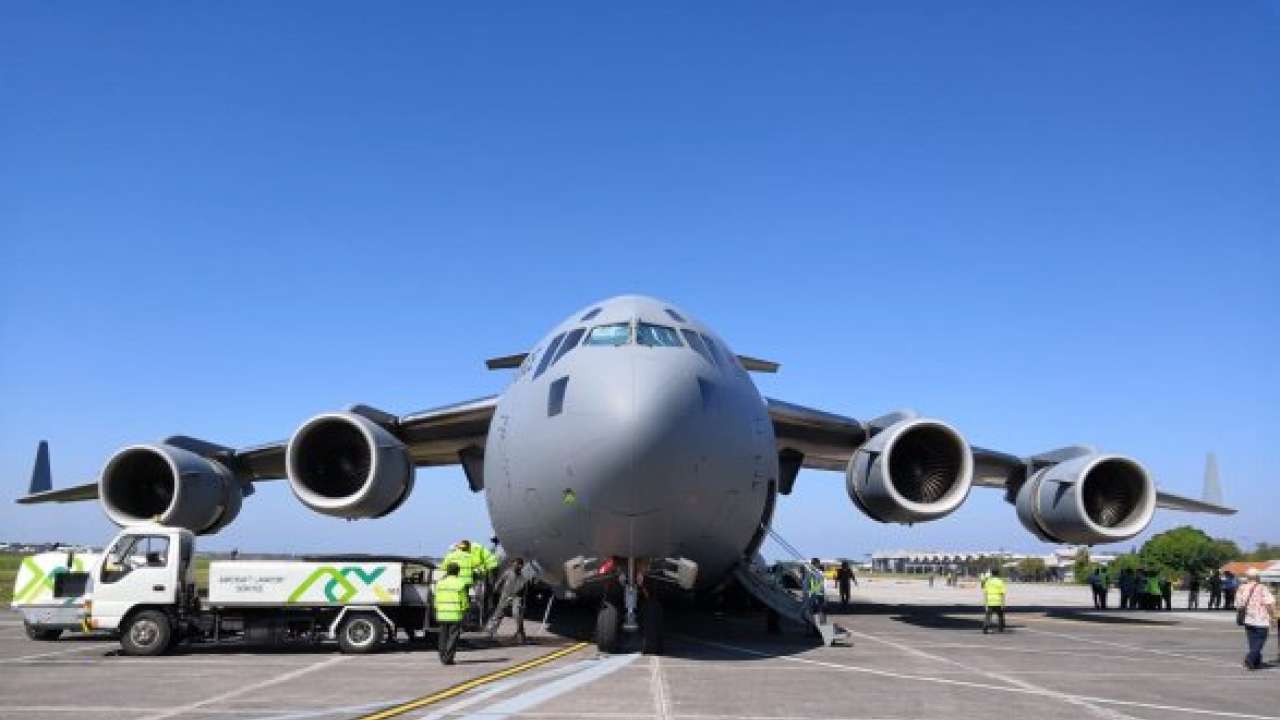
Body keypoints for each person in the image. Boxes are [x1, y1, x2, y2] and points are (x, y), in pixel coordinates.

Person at [484, 557, 532, 644]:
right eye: (514, 565)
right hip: (505, 595)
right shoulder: (508, 572)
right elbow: (499, 581)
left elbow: (525, 590)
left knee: (517, 614)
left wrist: (524, 601)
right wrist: (495, 590)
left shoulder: (524, 576)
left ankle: (520, 633)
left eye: (518, 565)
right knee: (499, 613)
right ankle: (490, 630)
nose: (515, 566)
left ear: (521, 566)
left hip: (517, 597)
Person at [1238, 567, 1276, 670]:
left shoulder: (1241, 588)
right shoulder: (1262, 588)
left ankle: (1256, 661)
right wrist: (1273, 617)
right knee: (1260, 641)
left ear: (1247, 577)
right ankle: (1250, 659)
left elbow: (1239, 604)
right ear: (1257, 577)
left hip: (1248, 619)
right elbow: (1269, 603)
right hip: (1261, 619)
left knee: (1252, 642)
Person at [434, 562, 470, 665]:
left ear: (447, 571)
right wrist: (465, 609)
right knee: (453, 637)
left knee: (442, 637)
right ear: (458, 572)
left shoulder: (440, 583)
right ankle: (448, 658)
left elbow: (436, 599)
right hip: (455, 614)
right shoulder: (460, 583)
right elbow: (464, 601)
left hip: (442, 614)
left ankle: (442, 656)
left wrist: (438, 609)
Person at [981, 567, 1006, 633]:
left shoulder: (988, 582)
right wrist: (1003, 603)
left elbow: (985, 593)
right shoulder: (1000, 582)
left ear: (991, 573)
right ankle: (1000, 628)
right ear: (998, 573)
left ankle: (985, 627)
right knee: (1000, 616)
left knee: (988, 616)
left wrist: (985, 603)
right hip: (998, 601)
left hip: (990, 601)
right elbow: (1002, 593)